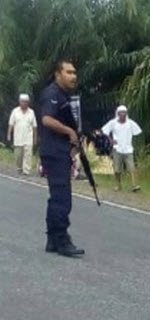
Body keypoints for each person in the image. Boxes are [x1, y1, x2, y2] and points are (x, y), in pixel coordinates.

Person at [39, 59, 84, 257]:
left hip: (59, 151)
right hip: (54, 152)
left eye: (74, 72)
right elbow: (47, 119)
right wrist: (69, 132)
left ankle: (52, 240)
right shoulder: (52, 93)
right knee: (62, 198)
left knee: (56, 197)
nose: (73, 76)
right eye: (69, 72)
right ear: (58, 74)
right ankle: (61, 239)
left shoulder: (64, 95)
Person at [101, 105, 142, 192]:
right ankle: (118, 185)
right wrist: (111, 140)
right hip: (117, 149)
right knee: (117, 169)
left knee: (132, 167)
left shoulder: (130, 123)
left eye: (124, 112)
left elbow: (137, 132)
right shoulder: (113, 123)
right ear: (118, 114)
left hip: (128, 149)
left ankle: (134, 185)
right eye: (121, 113)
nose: (123, 114)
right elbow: (104, 130)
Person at [7, 94, 37, 175]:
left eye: (26, 102)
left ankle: (26, 171)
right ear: (19, 102)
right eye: (22, 101)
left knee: (28, 155)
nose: (24, 103)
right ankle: (19, 168)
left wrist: (35, 138)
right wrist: (9, 134)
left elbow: (34, 126)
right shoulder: (15, 111)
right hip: (18, 137)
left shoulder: (31, 112)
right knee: (18, 155)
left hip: (28, 138)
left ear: (28, 103)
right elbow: (11, 124)